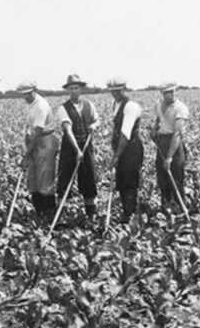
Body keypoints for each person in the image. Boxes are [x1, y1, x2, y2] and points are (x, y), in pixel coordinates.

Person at [56, 74, 100, 219]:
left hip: (87, 147)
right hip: (70, 148)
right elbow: (68, 130)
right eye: (71, 89)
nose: (74, 91)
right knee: (65, 180)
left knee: (89, 179)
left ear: (80, 89)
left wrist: (94, 125)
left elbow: (97, 120)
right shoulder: (63, 108)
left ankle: (91, 214)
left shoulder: (89, 105)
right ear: (68, 91)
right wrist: (77, 151)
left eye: (76, 88)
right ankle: (61, 216)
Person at [17, 80, 60, 219]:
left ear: (35, 90)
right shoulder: (30, 105)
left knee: (45, 179)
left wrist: (25, 156)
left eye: (28, 94)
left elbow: (37, 133)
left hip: (45, 142)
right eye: (24, 95)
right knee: (33, 179)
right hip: (35, 142)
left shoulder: (41, 105)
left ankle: (50, 214)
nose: (26, 97)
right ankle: (39, 212)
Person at [106, 77, 145, 221]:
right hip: (121, 147)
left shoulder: (130, 106)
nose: (115, 93)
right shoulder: (115, 104)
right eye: (112, 91)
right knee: (121, 180)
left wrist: (116, 156)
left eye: (118, 90)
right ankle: (126, 213)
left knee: (129, 182)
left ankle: (131, 215)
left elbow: (125, 134)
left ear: (124, 89)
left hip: (131, 147)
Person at [150, 81, 189, 211]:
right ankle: (166, 207)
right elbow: (158, 118)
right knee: (162, 178)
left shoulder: (180, 108)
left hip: (175, 146)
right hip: (162, 142)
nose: (170, 95)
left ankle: (180, 209)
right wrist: (155, 129)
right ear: (162, 93)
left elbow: (177, 134)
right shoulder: (158, 105)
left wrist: (169, 157)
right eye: (166, 93)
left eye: (172, 92)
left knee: (176, 179)